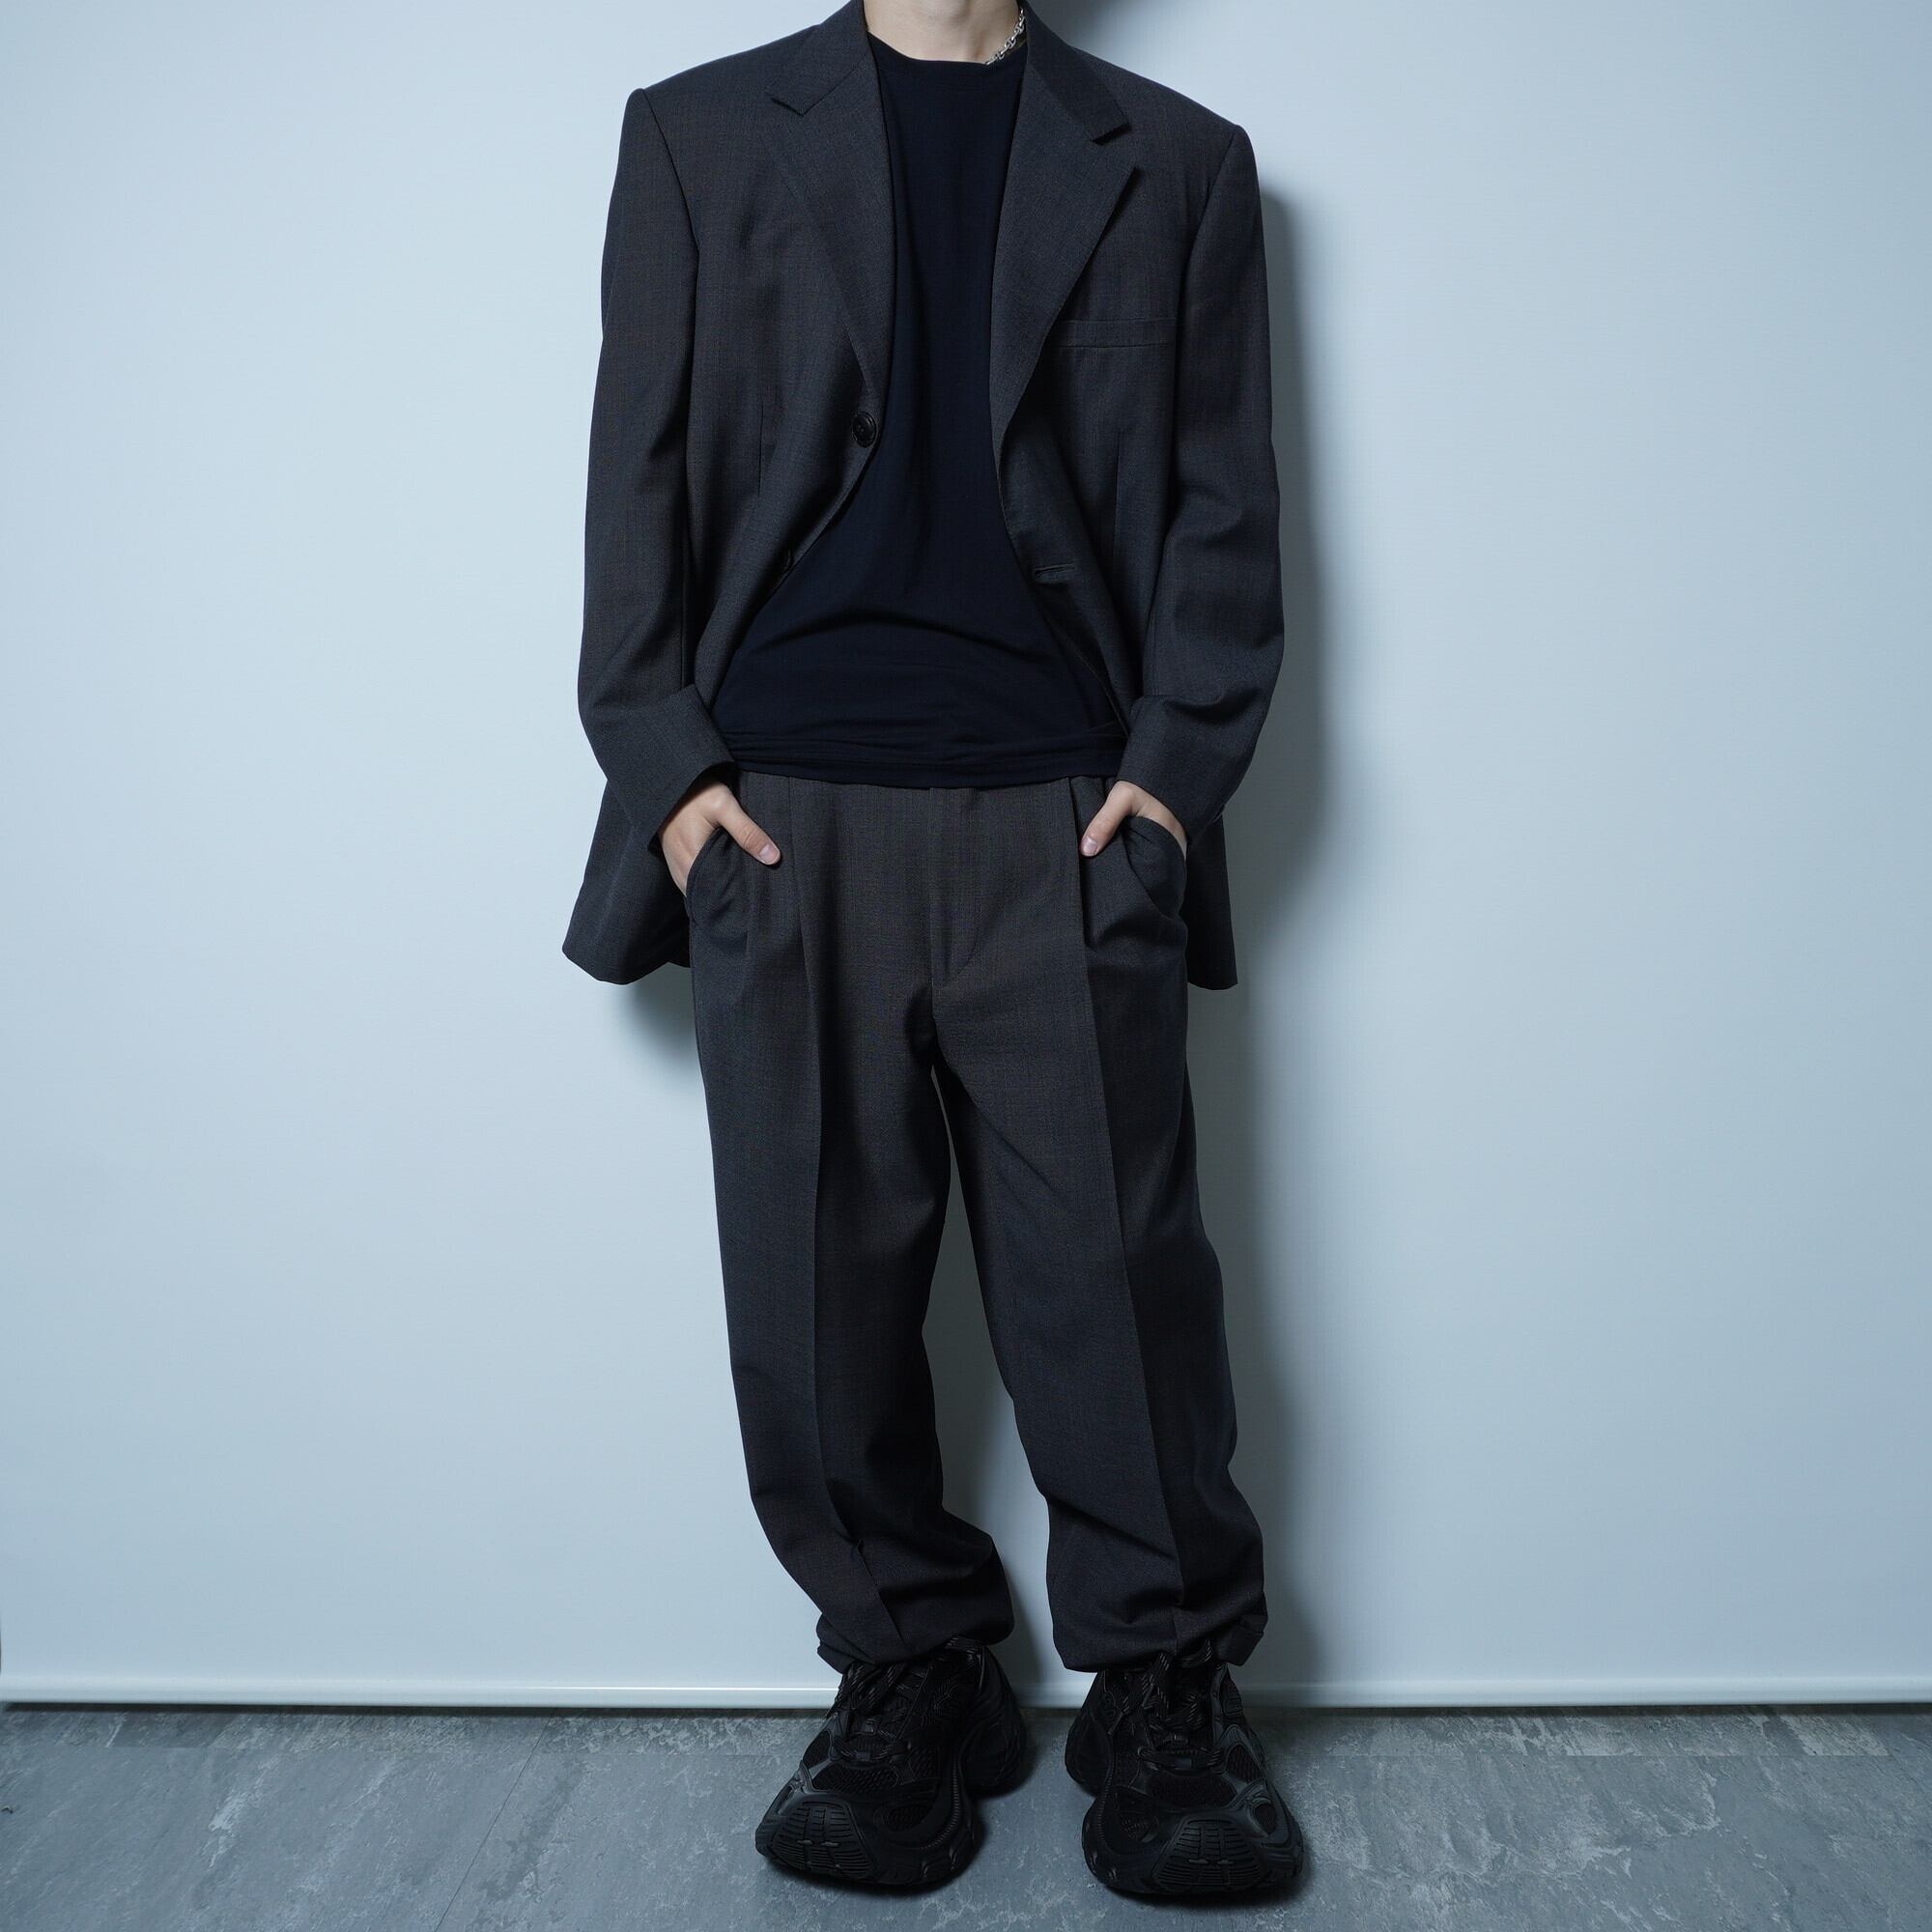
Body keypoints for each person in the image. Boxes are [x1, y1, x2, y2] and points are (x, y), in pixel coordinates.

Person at [563, 0, 1303, 1898]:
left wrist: (1167, 783)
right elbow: (634, 470)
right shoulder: (699, 135)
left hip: (1067, 811)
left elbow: (1224, 511)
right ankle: (910, 1667)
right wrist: (669, 771)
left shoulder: (1181, 166)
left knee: (1115, 1284)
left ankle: (1163, 1690)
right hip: (781, 815)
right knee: (811, 1295)